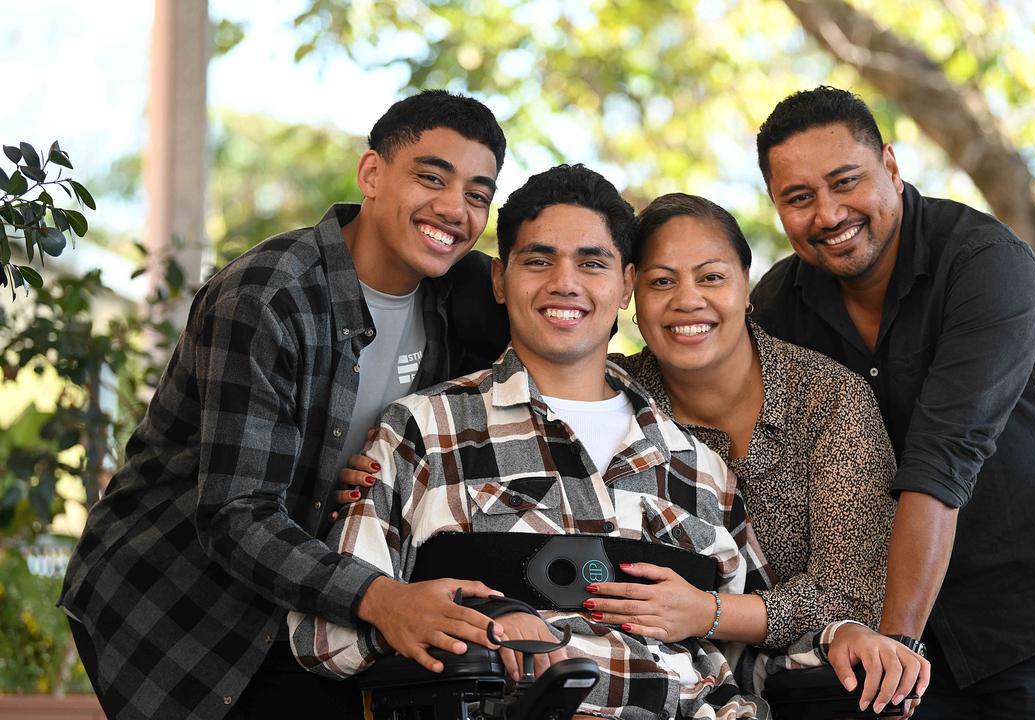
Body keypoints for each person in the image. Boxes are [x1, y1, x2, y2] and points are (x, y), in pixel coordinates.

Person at [58, 89, 512, 720]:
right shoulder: (271, 294)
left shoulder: (458, 299)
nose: (454, 208)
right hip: (179, 598)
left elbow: (566, 332)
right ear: (371, 173)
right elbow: (234, 514)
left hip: (316, 591)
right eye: (431, 177)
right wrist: (388, 600)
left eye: (477, 194)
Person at [289, 164, 777, 719]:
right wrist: (481, 626)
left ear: (625, 286)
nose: (564, 283)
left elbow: (759, 656)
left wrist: (846, 641)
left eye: (592, 263)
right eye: (538, 260)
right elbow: (323, 637)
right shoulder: (423, 432)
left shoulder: (700, 468)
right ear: (500, 279)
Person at [749, 86, 1035, 717]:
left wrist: (896, 646)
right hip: (909, 612)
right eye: (799, 198)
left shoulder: (988, 266)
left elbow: (941, 463)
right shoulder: (779, 307)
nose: (827, 213)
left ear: (892, 168)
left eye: (846, 181)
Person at [604, 192, 928, 714]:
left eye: (711, 277)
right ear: (630, 293)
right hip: (648, 679)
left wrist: (708, 612)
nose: (688, 300)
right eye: (662, 282)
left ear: (746, 285)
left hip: (804, 680)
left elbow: (850, 594)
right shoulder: (612, 395)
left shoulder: (826, 397)